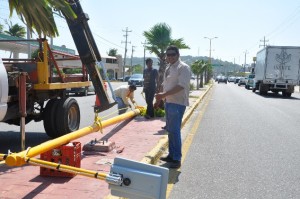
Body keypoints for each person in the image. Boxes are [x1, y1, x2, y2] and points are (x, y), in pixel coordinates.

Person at [155, 45, 191, 169]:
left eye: (172, 54)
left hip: (177, 103)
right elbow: (166, 84)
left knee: (175, 131)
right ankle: (171, 155)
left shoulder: (183, 68)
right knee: (170, 130)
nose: (170, 56)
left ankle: (176, 159)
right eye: (168, 54)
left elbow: (182, 86)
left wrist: (164, 94)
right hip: (169, 102)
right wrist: (161, 97)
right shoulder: (169, 67)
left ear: (178, 55)